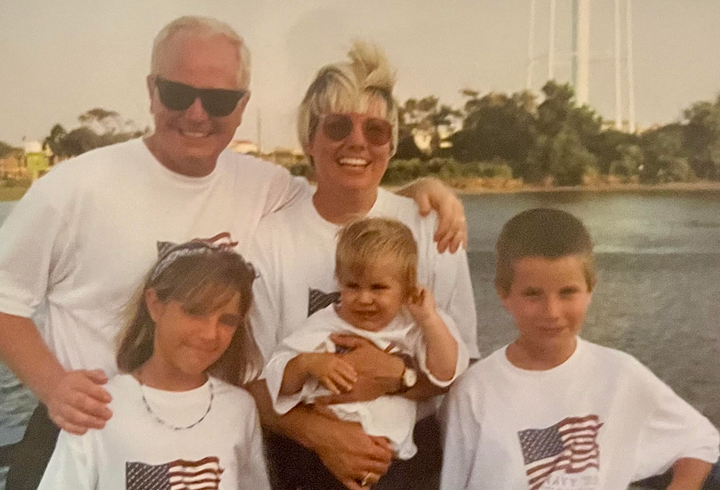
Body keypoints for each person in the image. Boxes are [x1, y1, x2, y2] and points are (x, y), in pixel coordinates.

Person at [0, 15, 467, 490]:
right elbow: (5, 298)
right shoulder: (73, 189)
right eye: (179, 94)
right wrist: (54, 387)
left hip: (205, 438)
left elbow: (346, 190)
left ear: (241, 105)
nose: (198, 113)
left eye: (219, 99)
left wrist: (421, 193)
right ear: (151, 90)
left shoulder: (263, 186)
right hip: (86, 428)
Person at [247, 42, 479, 490]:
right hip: (303, 460)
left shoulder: (432, 231)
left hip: (410, 461)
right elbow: (251, 379)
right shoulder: (269, 241)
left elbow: (462, 363)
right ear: (309, 139)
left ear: (391, 145)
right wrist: (325, 437)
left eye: (375, 130)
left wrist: (400, 377)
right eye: (337, 127)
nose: (357, 142)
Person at [440, 208, 720, 490]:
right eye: (533, 294)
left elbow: (701, 441)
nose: (552, 312)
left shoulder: (621, 374)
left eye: (567, 292)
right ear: (503, 294)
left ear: (590, 290)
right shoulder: (474, 391)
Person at [36, 239, 270, 490]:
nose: (210, 334)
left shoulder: (239, 409)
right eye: (195, 312)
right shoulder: (97, 405)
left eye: (227, 320)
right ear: (155, 305)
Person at [264, 218, 469, 482]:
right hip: (325, 459)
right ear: (339, 282)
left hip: (394, 462)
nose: (364, 299)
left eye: (378, 287)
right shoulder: (325, 325)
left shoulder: (416, 325)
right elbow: (277, 382)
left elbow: (446, 373)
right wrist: (307, 363)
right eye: (352, 286)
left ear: (407, 287)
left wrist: (429, 320)